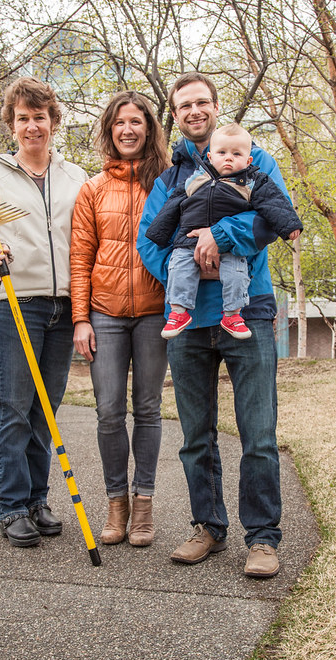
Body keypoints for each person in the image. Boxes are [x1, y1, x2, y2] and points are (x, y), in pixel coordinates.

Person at [136, 72, 292, 579]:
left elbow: (271, 217)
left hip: (249, 311)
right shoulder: (169, 177)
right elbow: (149, 242)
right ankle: (207, 526)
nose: (195, 110)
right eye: (185, 105)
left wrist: (217, 240)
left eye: (203, 101)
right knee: (195, 436)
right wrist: (190, 261)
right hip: (187, 322)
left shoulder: (253, 159)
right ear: (175, 114)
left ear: (216, 106)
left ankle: (263, 538)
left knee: (259, 432)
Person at [0, 76, 87, 548]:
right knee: (13, 407)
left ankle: (37, 499)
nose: (32, 126)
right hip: (15, 303)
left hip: (63, 303)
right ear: (12, 125)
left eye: (40, 117)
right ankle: (11, 506)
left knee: (44, 410)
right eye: (22, 119)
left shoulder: (75, 176)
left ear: (54, 121)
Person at [70, 91, 171, 547]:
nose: (128, 129)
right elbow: (80, 258)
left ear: (149, 129)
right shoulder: (92, 190)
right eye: (119, 123)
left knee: (147, 410)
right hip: (105, 314)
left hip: (154, 313)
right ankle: (116, 504)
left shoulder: (167, 183)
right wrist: (80, 318)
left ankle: (144, 504)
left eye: (137, 121)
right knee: (109, 411)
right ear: (109, 131)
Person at [145, 122, 302, 341]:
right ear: (210, 157)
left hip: (233, 252)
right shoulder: (192, 180)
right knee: (179, 268)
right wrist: (158, 234)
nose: (228, 158)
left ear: (248, 160)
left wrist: (289, 225)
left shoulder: (253, 180)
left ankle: (233, 314)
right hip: (187, 243)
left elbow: (274, 205)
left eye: (236, 154)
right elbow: (171, 207)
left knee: (236, 275)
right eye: (222, 153)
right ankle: (179, 312)